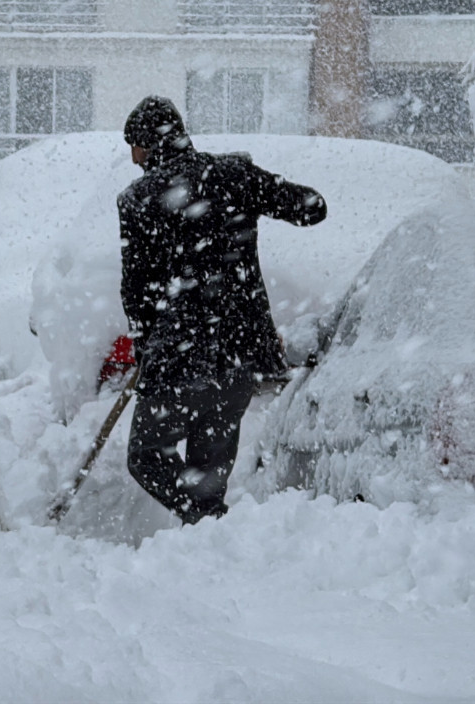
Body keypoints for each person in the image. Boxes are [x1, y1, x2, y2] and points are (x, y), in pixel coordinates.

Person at [113, 95, 327, 525]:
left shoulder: (136, 199)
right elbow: (313, 207)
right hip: (238, 351)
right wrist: (265, 192)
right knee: (207, 474)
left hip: (178, 355)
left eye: (133, 146)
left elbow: (136, 290)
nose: (133, 157)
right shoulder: (233, 174)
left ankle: (207, 521)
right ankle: (211, 532)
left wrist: (145, 346)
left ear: (146, 144)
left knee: (147, 457)